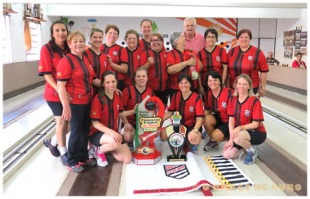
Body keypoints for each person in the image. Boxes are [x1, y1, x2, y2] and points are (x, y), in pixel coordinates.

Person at [57, 30, 101, 173]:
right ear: (69, 44)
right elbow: (61, 85)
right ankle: (71, 160)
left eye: (81, 41)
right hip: (74, 103)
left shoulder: (85, 59)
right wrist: (66, 106)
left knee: (84, 130)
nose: (78, 44)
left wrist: (108, 85)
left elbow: (93, 79)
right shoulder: (66, 61)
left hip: (87, 101)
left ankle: (83, 157)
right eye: (75, 41)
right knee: (76, 131)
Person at [89, 71, 137, 167]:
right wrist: (112, 132)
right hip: (97, 134)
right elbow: (95, 124)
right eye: (107, 82)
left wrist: (133, 111)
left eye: (113, 81)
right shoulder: (98, 99)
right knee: (116, 142)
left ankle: (109, 147)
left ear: (117, 82)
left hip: (112, 133)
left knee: (127, 159)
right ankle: (99, 151)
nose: (111, 85)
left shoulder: (117, 96)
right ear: (103, 84)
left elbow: (120, 113)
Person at [38, 20, 71, 164]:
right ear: (52, 33)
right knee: (62, 123)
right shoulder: (47, 49)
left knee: (70, 124)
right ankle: (64, 152)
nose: (61, 33)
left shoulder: (69, 48)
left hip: (69, 92)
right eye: (57, 30)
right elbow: (47, 75)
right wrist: (59, 89)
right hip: (54, 93)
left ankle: (52, 141)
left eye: (63, 30)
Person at [223, 74, 267, 165]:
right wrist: (231, 139)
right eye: (239, 84)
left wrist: (239, 128)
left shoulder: (255, 100)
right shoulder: (232, 99)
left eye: (244, 84)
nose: (241, 87)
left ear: (249, 86)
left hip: (257, 132)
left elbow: (255, 124)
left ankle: (251, 151)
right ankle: (245, 144)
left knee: (238, 137)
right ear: (235, 85)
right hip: (240, 133)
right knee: (227, 155)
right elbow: (231, 121)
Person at [160, 73, 204, 153]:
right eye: (181, 83)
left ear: (190, 84)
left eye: (186, 82)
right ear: (178, 85)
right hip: (179, 125)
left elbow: (199, 118)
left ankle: (191, 141)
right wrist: (158, 120)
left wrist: (195, 130)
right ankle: (181, 137)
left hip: (192, 126)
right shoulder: (175, 96)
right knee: (163, 136)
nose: (184, 85)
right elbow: (170, 112)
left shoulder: (196, 97)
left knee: (193, 139)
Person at [228, 29, 269, 97]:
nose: (244, 39)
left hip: (251, 87)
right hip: (234, 86)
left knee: (248, 106)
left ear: (250, 39)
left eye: (246, 37)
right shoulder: (231, 52)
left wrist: (263, 87)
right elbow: (227, 69)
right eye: (241, 37)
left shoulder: (257, 52)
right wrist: (226, 84)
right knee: (235, 106)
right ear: (238, 39)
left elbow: (264, 71)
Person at [122, 68, 155, 150]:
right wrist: (126, 123)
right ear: (135, 78)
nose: (141, 78)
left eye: (143, 76)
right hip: (130, 122)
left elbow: (153, 109)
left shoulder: (151, 92)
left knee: (156, 133)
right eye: (138, 76)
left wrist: (151, 124)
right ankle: (129, 143)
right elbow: (121, 110)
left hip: (144, 122)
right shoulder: (127, 91)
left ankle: (145, 142)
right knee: (127, 137)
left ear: (147, 78)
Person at [166, 30, 203, 99]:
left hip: (193, 87)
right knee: (177, 109)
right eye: (182, 36)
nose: (185, 38)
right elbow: (170, 70)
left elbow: (200, 68)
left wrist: (196, 58)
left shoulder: (190, 52)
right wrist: (187, 63)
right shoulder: (171, 54)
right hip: (177, 89)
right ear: (176, 41)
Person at [203, 71, 233, 151]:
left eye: (215, 80)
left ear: (220, 81)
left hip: (231, 121)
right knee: (206, 118)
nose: (212, 82)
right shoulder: (207, 95)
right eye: (210, 81)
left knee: (216, 135)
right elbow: (208, 109)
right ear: (207, 83)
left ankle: (232, 138)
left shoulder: (230, 92)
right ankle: (213, 141)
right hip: (219, 119)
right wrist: (200, 119)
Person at [140, 32, 169, 106]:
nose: (156, 42)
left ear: (162, 42)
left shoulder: (167, 54)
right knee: (150, 111)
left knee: (162, 112)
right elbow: (140, 71)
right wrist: (148, 64)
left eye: (158, 40)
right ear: (150, 43)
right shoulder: (145, 54)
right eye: (153, 40)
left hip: (165, 89)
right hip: (150, 89)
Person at [197, 28, 228, 95]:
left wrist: (222, 83)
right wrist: (200, 86)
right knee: (206, 103)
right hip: (205, 84)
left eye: (213, 37)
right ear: (205, 39)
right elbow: (198, 72)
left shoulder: (221, 51)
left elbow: (225, 68)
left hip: (218, 84)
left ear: (216, 39)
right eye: (208, 37)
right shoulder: (200, 53)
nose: (211, 39)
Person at [84, 26, 112, 98]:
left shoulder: (105, 57)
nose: (98, 40)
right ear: (90, 38)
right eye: (95, 37)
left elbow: (109, 76)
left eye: (100, 37)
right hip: (87, 94)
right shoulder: (84, 54)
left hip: (102, 93)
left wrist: (113, 87)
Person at [100, 24, 128, 91]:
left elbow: (125, 69)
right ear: (105, 35)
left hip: (117, 82)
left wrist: (111, 64)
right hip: (101, 81)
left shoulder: (121, 49)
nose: (112, 35)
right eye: (110, 33)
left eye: (115, 34)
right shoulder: (99, 48)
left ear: (117, 37)